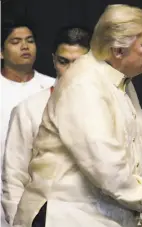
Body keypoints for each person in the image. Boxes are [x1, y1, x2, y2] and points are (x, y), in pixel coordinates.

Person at [12, 4, 142, 227]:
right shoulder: (84, 83)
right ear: (118, 51)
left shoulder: (115, 80)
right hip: (65, 216)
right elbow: (105, 163)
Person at [1, 26, 91, 226]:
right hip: (48, 218)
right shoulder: (29, 109)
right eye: (63, 62)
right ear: (53, 60)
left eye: (79, 63)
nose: (70, 71)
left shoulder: (112, 103)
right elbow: (14, 177)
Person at [0, 20, 55, 158]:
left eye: (30, 41)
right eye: (15, 42)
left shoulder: (53, 86)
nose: (25, 46)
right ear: (1, 52)